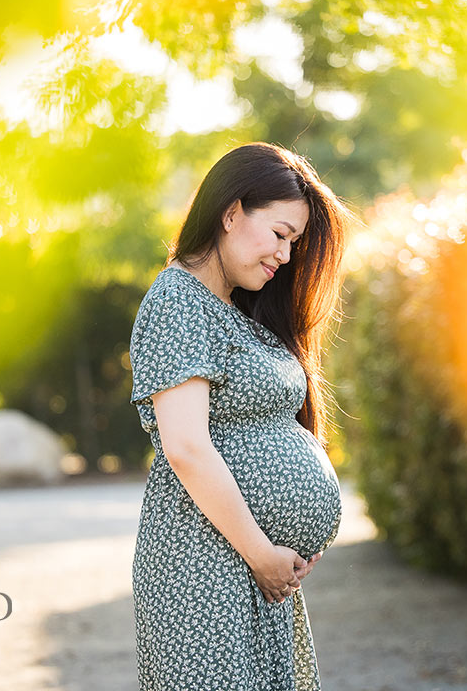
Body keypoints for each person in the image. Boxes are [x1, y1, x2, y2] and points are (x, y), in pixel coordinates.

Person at [128, 142, 355, 691]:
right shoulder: (178, 299)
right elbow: (185, 446)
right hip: (204, 567)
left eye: (294, 243)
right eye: (279, 234)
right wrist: (262, 553)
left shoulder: (234, 310)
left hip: (256, 568)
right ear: (231, 213)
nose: (285, 255)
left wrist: (291, 545)